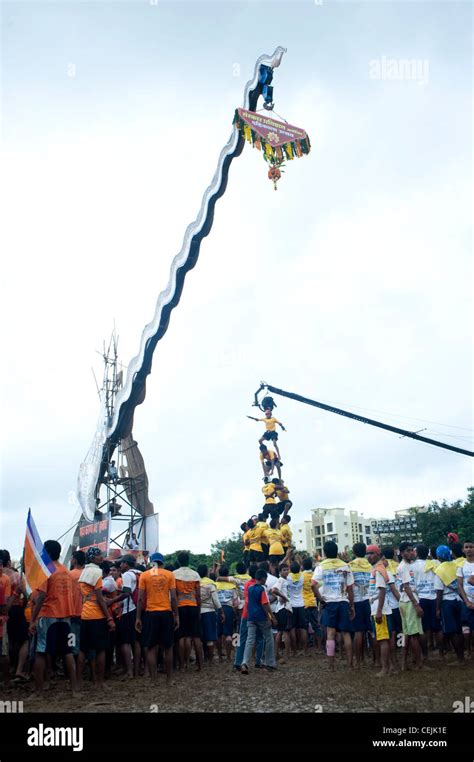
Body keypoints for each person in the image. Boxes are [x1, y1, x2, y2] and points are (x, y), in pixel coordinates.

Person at [29, 540, 77, 696]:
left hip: (48, 615)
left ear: (47, 553)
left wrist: (33, 619)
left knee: (41, 651)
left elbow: (42, 596)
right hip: (66, 616)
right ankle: (74, 687)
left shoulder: (46, 571)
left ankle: (39, 690)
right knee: (67, 651)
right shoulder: (66, 571)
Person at [135, 552, 178, 685]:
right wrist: (176, 615)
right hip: (166, 613)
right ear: (162, 562)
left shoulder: (144, 575)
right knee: (168, 647)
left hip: (150, 614)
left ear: (151, 562)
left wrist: (138, 618)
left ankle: (154, 680)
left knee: (151, 647)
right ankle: (169, 679)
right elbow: (174, 597)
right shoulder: (169, 575)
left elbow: (141, 598)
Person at [311, 541, 355, 671]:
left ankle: (331, 666)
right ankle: (350, 664)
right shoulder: (345, 566)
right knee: (346, 633)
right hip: (343, 601)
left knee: (330, 633)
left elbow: (313, 584)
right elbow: (350, 588)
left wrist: (320, 599)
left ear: (324, 552)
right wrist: (352, 606)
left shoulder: (321, 566)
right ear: (336, 551)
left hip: (329, 602)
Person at [77, 547, 116, 691]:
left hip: (85, 614)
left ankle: (79, 682)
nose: (102, 557)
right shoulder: (97, 572)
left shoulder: (84, 572)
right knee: (101, 650)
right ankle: (99, 683)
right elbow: (100, 598)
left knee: (83, 650)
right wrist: (109, 618)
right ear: (93, 557)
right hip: (97, 615)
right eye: (99, 555)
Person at [240, 569, 277, 674]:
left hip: (251, 617)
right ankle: (269, 663)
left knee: (250, 640)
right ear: (264, 579)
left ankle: (244, 663)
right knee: (269, 638)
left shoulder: (250, 588)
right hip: (261, 618)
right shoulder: (262, 589)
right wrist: (271, 617)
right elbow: (265, 604)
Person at [366, 544, 394, 676]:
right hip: (378, 607)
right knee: (383, 639)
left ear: (378, 554)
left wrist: (378, 611)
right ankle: (389, 667)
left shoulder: (378, 570)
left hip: (380, 609)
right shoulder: (377, 569)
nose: (368, 556)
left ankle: (385, 668)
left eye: (371, 553)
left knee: (383, 640)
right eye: (367, 553)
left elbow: (382, 591)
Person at [173, 551, 204, 671]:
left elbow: (174, 595)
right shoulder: (195, 575)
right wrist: (199, 610)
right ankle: (200, 665)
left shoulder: (174, 574)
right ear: (188, 560)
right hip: (193, 606)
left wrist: (174, 612)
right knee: (196, 636)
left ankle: (182, 665)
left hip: (180, 606)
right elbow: (198, 595)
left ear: (179, 561)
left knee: (182, 636)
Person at [112, 555, 140, 679]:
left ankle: (129, 671)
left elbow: (127, 592)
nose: (120, 566)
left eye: (121, 563)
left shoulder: (128, 575)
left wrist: (112, 601)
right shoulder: (140, 573)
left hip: (129, 611)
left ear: (126, 564)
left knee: (125, 642)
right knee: (136, 641)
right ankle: (136, 669)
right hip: (138, 609)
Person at [434, 545, 464, 663]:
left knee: (451, 631)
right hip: (459, 600)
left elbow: (439, 591)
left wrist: (437, 608)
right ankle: (462, 655)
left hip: (447, 602)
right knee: (459, 630)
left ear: (438, 556)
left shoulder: (439, 570)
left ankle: (459, 658)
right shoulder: (457, 565)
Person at [397, 541, 424, 671]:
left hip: (405, 601)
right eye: (407, 551)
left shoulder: (405, 566)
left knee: (407, 633)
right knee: (414, 634)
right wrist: (416, 604)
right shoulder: (404, 567)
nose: (410, 552)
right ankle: (419, 664)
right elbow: (407, 587)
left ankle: (403, 663)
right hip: (409, 601)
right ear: (401, 553)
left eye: (411, 550)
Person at [413, 544, 443, 659]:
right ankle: (441, 654)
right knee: (438, 628)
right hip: (435, 597)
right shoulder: (436, 563)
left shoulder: (413, 566)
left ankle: (425, 655)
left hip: (421, 598)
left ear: (416, 553)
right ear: (428, 553)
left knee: (424, 629)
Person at [349, 542, 372, 668]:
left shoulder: (350, 566)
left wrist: (350, 605)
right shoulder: (370, 564)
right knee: (372, 631)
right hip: (370, 600)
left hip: (357, 601)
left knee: (358, 631)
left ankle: (359, 660)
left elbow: (348, 587)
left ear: (354, 552)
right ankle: (376, 660)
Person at [198, 565, 223, 666]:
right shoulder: (210, 583)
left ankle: (203, 657)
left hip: (198, 611)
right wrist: (221, 611)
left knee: (201, 636)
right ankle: (211, 659)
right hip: (209, 611)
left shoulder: (196, 582)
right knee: (210, 636)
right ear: (206, 573)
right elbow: (215, 600)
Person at [215, 568, 238, 662]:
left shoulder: (215, 585)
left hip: (217, 609)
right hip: (229, 609)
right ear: (227, 574)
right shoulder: (232, 586)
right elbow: (236, 602)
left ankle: (220, 657)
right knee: (229, 634)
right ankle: (229, 657)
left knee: (218, 634)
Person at [272, 562, 293, 662]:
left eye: (287, 569)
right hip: (284, 608)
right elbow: (274, 590)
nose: (286, 571)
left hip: (281, 608)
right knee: (285, 632)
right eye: (284, 570)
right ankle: (286, 655)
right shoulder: (281, 580)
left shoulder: (286, 580)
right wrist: (282, 597)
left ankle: (277, 654)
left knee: (280, 632)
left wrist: (280, 596)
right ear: (280, 572)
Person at [287, 561, 308, 655]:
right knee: (303, 628)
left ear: (290, 569)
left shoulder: (288, 577)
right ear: (299, 569)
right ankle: (305, 650)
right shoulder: (302, 576)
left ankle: (294, 651)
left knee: (292, 628)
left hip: (291, 605)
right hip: (301, 604)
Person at [69, 550, 86, 660]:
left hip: (73, 612)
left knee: (72, 641)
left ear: (74, 560)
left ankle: (72, 669)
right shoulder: (87, 573)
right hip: (88, 612)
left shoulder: (69, 575)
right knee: (85, 642)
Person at [302, 557, 321, 654]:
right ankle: (319, 648)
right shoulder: (315, 575)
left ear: (302, 565)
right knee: (316, 626)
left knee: (305, 627)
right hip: (313, 603)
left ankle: (306, 650)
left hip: (304, 604)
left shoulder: (301, 576)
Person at [457, 539, 474, 641]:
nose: (469, 549)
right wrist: (466, 601)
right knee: (467, 626)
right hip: (467, 601)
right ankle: (469, 650)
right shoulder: (461, 565)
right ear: (463, 550)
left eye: (471, 547)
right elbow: (459, 585)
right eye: (466, 547)